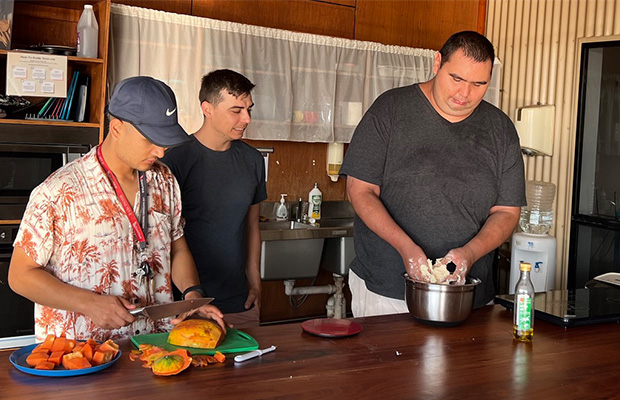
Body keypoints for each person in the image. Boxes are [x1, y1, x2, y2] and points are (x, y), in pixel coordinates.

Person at [8, 76, 226, 341]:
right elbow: (20, 276)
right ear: (117, 128)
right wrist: (88, 303)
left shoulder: (164, 180)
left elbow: (177, 246)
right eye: (151, 140)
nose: (161, 151)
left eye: (165, 140)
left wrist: (193, 295)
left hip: (153, 346)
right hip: (82, 356)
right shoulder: (58, 191)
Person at [340, 31, 526, 317]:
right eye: (457, 79)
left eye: (479, 84)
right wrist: (408, 249)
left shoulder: (500, 130)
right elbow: (360, 190)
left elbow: (507, 212)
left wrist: (470, 254)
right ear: (437, 63)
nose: (465, 94)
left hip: (469, 294)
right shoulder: (390, 110)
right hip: (386, 292)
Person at [162, 69, 267, 328]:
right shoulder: (175, 160)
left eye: (249, 109)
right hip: (185, 302)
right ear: (207, 109)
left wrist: (255, 283)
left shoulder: (253, 160)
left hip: (238, 300)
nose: (246, 118)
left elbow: (252, 226)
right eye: (236, 110)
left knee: (248, 367)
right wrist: (188, 296)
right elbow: (165, 236)